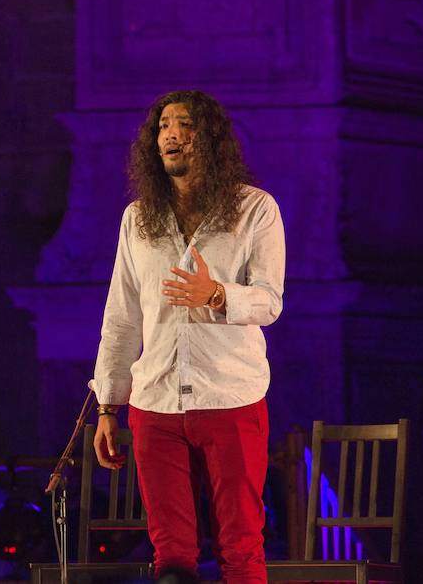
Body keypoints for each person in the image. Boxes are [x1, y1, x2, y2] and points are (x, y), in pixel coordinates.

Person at [89, 90, 285, 583]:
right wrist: (108, 407)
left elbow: (269, 301)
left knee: (240, 546)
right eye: (163, 127)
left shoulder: (254, 210)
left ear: (211, 138)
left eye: (185, 125)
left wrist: (216, 294)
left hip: (230, 398)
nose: (172, 135)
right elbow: (121, 318)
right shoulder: (138, 219)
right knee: (170, 553)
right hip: (154, 404)